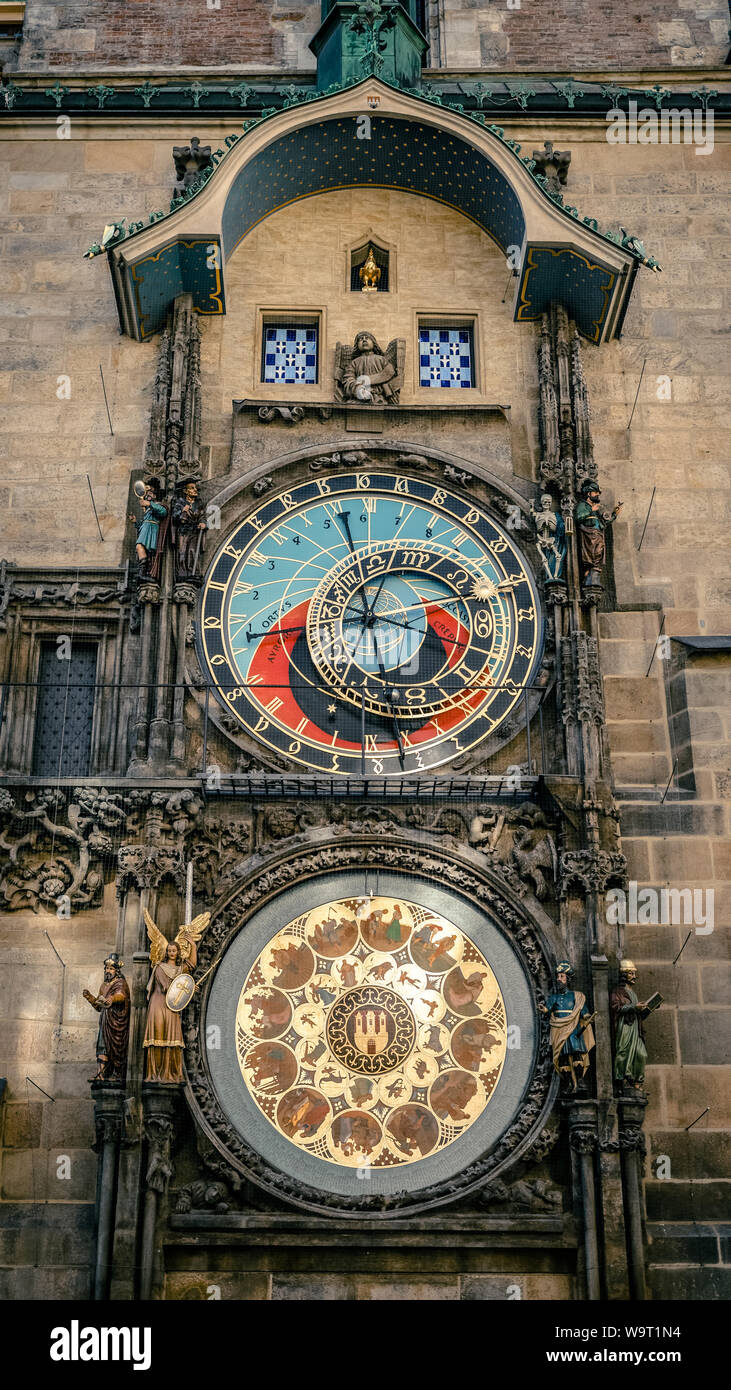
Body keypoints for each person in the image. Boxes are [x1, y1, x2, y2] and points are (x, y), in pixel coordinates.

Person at [539, 961, 595, 1090]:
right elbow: (548, 1009)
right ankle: (569, 1083)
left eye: (562, 976)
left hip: (574, 1029)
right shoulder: (554, 998)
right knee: (563, 1059)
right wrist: (544, 1010)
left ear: (568, 979)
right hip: (559, 1029)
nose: (559, 979)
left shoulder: (576, 996)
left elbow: (582, 1010)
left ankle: (580, 1082)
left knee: (577, 1056)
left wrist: (587, 1017)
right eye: (558, 977)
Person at [610, 959, 660, 1089]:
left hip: (636, 1028)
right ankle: (624, 1079)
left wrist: (648, 1009)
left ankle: (637, 1082)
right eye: (631, 973)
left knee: (641, 1054)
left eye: (634, 974)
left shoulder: (633, 993)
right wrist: (633, 1007)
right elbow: (616, 1007)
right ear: (624, 975)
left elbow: (639, 1015)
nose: (634, 977)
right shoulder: (618, 992)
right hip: (625, 1026)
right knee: (624, 1052)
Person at [83, 953, 130, 1082]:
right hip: (105, 1020)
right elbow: (99, 1006)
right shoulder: (104, 985)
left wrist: (112, 998)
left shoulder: (121, 983)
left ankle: (117, 1073)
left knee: (116, 1047)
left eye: (111, 968)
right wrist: (90, 998)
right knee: (102, 1046)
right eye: (107, 968)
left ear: (117, 970)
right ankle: (100, 1074)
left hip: (116, 1022)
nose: (108, 971)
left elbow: (121, 996)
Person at [575, 481, 622, 587]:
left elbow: (603, 522)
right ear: (588, 494)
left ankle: (593, 570)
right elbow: (578, 517)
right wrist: (591, 510)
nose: (597, 494)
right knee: (591, 555)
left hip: (598, 534)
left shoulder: (595, 509)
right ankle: (588, 573)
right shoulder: (583, 505)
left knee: (599, 551)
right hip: (588, 535)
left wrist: (614, 514)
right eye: (595, 492)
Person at [338, 332, 399, 404]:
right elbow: (348, 379)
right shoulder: (354, 363)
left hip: (379, 398)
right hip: (359, 398)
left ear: (374, 343)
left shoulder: (381, 359)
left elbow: (390, 375)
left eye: (367, 338)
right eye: (360, 339)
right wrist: (358, 389)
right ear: (357, 345)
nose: (364, 340)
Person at [130, 477, 167, 576]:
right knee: (141, 549)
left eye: (151, 493)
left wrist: (150, 504)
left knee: (139, 547)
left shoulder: (157, 505)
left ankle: (143, 570)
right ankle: (144, 570)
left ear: (155, 496)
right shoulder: (147, 510)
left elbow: (163, 512)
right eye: (147, 493)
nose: (148, 494)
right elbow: (143, 524)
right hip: (146, 528)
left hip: (151, 529)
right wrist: (135, 522)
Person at [171, 479, 207, 580]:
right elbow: (174, 516)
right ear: (185, 491)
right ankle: (182, 573)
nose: (195, 490)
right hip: (183, 531)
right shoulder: (180, 502)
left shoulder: (199, 504)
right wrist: (183, 510)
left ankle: (193, 572)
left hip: (194, 530)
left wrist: (203, 523)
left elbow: (203, 516)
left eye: (195, 488)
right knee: (182, 551)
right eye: (192, 488)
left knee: (192, 551)